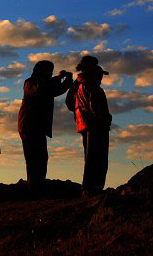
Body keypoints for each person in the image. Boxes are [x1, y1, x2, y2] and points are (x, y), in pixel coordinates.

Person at [18, 60, 73, 193]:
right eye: (49, 71)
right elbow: (42, 89)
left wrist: (67, 82)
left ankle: (38, 186)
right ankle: (34, 188)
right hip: (29, 125)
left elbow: (56, 90)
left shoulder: (44, 85)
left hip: (38, 126)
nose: (50, 74)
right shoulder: (30, 83)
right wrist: (59, 78)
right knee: (33, 158)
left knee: (41, 157)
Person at [67, 55, 112, 195]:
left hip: (83, 125)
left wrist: (79, 112)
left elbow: (69, 103)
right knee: (98, 157)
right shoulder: (92, 87)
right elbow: (96, 107)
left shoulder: (77, 84)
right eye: (100, 75)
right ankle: (92, 188)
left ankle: (88, 188)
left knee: (90, 157)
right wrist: (105, 119)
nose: (101, 78)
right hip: (96, 125)